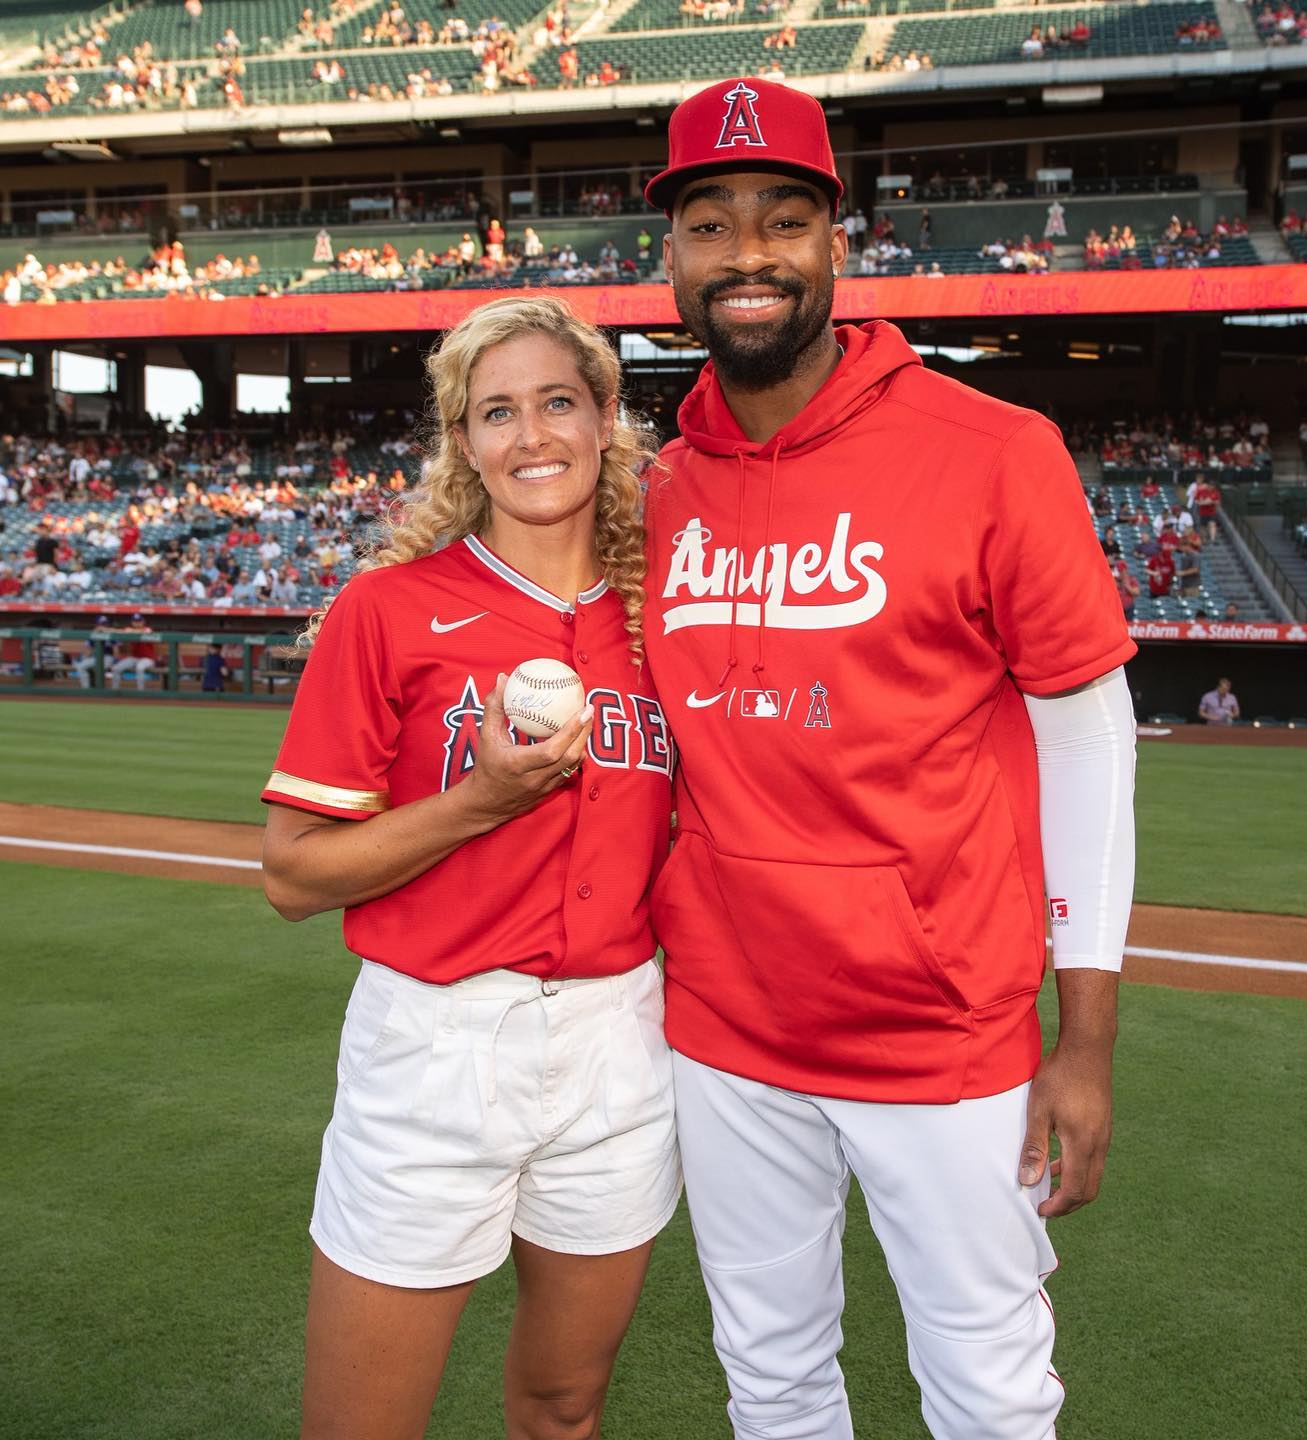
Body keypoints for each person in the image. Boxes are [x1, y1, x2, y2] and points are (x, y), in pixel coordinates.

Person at [642, 78, 1137, 1440]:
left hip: (943, 1032)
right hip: (725, 1026)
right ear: (670, 258)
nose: (748, 253)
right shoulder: (656, 488)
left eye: (784, 218)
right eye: (710, 222)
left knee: (989, 1394)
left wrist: (1085, 1043)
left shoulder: (995, 450)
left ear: (837, 245)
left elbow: (1088, 741)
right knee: (772, 1379)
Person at [259, 295, 679, 1440]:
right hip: (435, 1046)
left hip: (620, 1045)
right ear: (464, 441)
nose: (531, 435)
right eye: (497, 412)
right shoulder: (388, 610)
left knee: (565, 1406)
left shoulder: (667, 622)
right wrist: (481, 801)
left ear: (606, 417)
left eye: (558, 402)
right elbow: (293, 876)